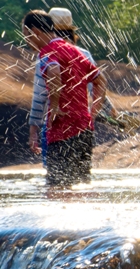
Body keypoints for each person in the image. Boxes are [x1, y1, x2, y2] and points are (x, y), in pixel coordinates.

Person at [22, 10, 105, 186]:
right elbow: (100, 81)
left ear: (34, 31)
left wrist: (55, 104)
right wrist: (93, 113)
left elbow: (53, 71)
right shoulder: (74, 50)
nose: (27, 42)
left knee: (56, 187)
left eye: (26, 37)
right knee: (82, 184)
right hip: (84, 130)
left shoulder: (46, 52)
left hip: (61, 130)